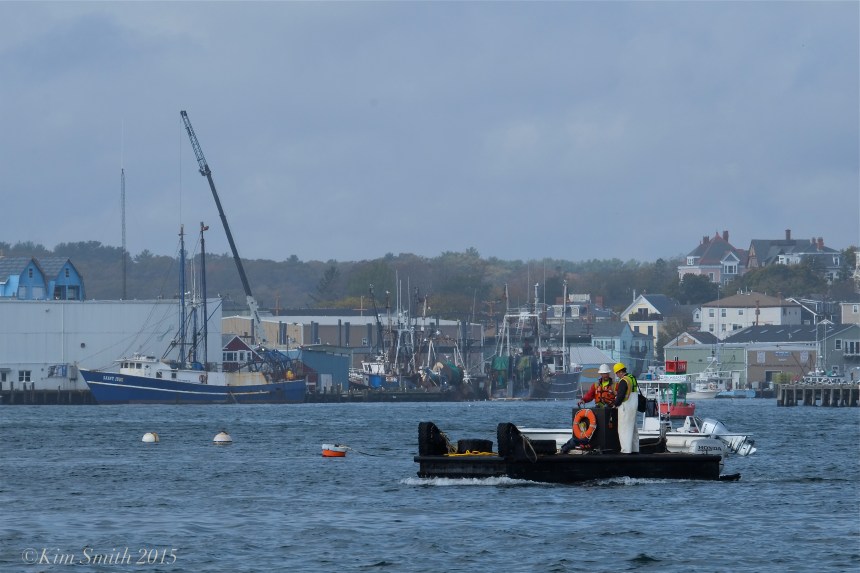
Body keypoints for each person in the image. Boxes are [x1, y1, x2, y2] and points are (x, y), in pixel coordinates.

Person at [612, 362, 640, 454]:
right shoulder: (632, 378)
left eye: (616, 373)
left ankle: (625, 451)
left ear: (620, 372)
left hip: (626, 407)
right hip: (634, 406)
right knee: (633, 429)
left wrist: (615, 404)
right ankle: (635, 450)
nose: (617, 375)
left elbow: (620, 396)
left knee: (624, 429)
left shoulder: (623, 381)